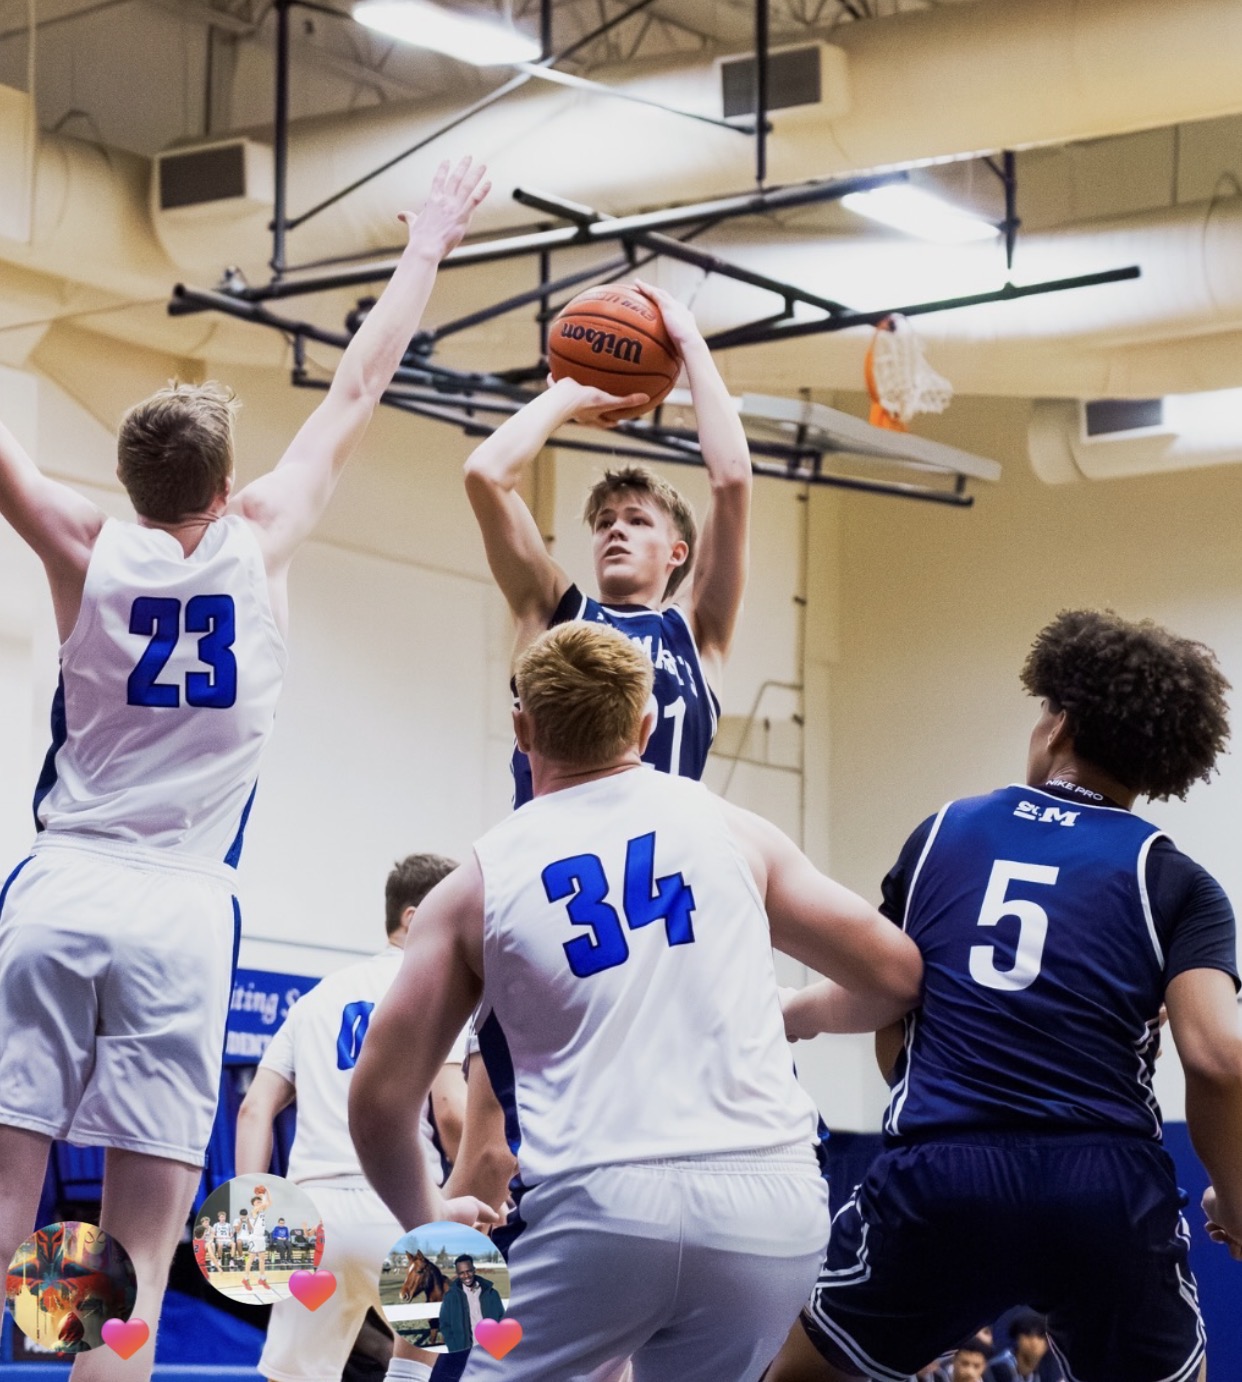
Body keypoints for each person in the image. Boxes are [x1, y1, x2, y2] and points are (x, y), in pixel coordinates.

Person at [0, 155, 489, 1381]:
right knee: (133, 1253)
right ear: (225, 489)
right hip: (178, 907)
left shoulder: (79, 540)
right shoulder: (262, 536)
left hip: (59, 883)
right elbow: (363, 376)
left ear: (128, 484)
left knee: (8, 1208)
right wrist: (425, 241)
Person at [349, 621, 923, 1382]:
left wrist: (427, 1219)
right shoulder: (733, 830)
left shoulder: (478, 884)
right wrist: (797, 1014)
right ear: (646, 727)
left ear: (522, 729)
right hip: (771, 1204)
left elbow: (379, 1104)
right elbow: (897, 978)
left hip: (603, 1204)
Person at [765, 609, 1242, 1382]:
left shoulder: (944, 834)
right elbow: (1218, 1060)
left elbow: (890, 997)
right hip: (1103, 1186)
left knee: (799, 1374)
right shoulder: (1177, 881)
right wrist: (1236, 1200)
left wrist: (794, 1014)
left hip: (943, 1175)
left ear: (1060, 722)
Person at [463, 279, 752, 809]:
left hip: (662, 857)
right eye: (604, 522)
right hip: (554, 853)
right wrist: (567, 393)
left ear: (678, 552)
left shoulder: (694, 633)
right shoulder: (552, 610)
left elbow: (732, 481)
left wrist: (691, 344)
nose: (615, 530)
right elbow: (485, 473)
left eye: (637, 521)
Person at [234, 851, 468, 1382]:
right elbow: (452, 1112)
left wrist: (256, 1211)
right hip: (404, 1204)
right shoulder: (439, 988)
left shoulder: (315, 998)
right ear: (414, 917)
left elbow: (253, 1109)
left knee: (293, 1377)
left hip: (314, 1215)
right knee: (442, 1368)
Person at [436, 1255, 504, 1354]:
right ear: (457, 1274)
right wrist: (455, 1348)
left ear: (474, 1270)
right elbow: (445, 1325)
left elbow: (501, 1318)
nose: (466, 1276)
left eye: (469, 1271)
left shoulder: (491, 1293)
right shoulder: (450, 1297)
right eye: (461, 1273)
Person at [985, 1311, 1062, 1382]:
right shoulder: (999, 1367)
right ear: (1017, 1338)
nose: (1034, 1342)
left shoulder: (1048, 1370)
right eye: (1028, 1334)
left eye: (1040, 1336)